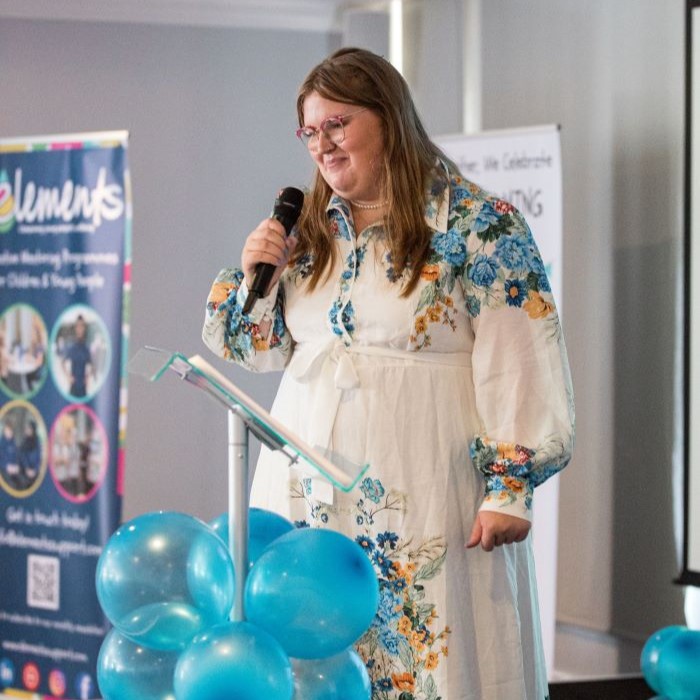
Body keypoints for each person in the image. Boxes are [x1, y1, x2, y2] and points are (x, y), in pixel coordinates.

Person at [202, 47, 574, 700]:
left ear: (389, 118)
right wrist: (259, 274)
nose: (322, 145)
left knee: (423, 662)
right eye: (309, 131)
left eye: (337, 124)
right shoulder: (307, 231)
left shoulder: (477, 225)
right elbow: (254, 348)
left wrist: (509, 487)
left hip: (424, 489)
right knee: (315, 656)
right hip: (306, 490)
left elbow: (520, 357)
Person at [62, 315, 93, 398]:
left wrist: (88, 377)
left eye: (81, 326)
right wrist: (68, 376)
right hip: (73, 388)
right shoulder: (72, 347)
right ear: (75, 328)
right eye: (78, 326)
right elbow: (62, 363)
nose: (80, 329)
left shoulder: (86, 348)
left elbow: (92, 365)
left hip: (83, 389)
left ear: (84, 328)